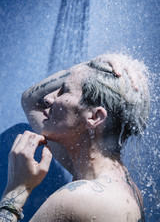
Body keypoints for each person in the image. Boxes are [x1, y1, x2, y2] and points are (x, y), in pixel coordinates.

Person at [0, 53, 150, 222]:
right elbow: (31, 99)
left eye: (64, 91)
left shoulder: (78, 199)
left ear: (94, 117)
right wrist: (93, 65)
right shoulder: (117, 180)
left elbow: (33, 100)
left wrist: (15, 191)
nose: (48, 98)